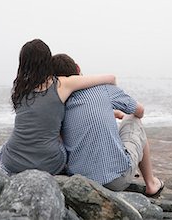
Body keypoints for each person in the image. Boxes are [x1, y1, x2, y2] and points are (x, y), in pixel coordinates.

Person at [52, 53, 164, 197]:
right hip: (115, 181)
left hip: (80, 181)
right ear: (78, 68)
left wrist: (109, 113)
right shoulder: (102, 89)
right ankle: (151, 184)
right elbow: (140, 110)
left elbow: (80, 119)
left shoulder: (57, 104)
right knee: (134, 119)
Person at [0, 39, 116, 175]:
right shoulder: (61, 84)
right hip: (49, 164)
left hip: (13, 162)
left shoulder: (19, 89)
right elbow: (110, 78)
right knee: (60, 137)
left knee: (4, 148)